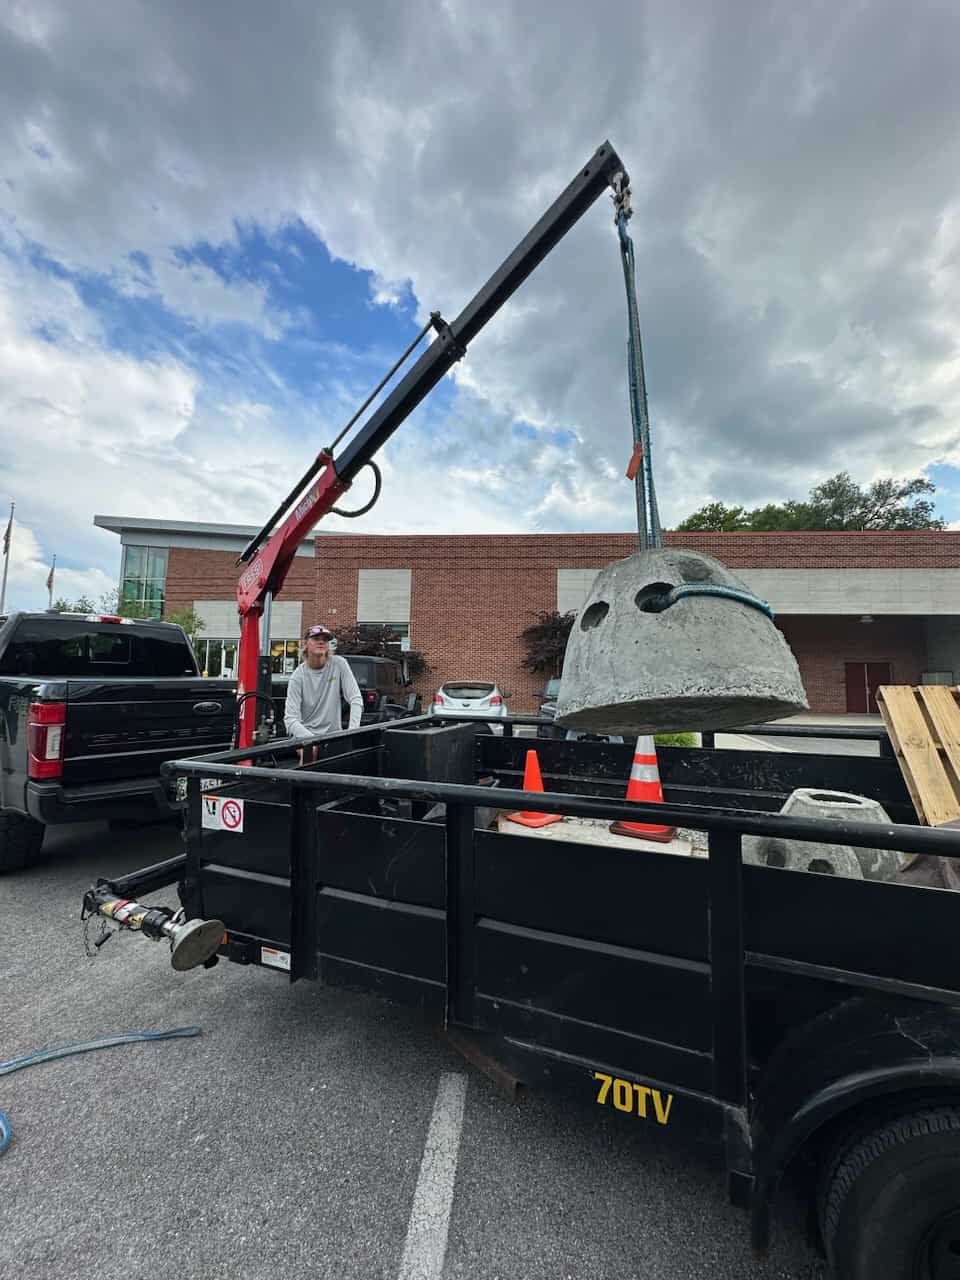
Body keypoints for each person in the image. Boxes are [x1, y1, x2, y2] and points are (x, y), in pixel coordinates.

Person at [284, 625, 363, 745]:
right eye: (316, 638)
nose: (321, 641)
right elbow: (290, 719)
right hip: (306, 737)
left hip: (334, 737)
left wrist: (352, 731)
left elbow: (355, 698)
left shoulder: (339, 664)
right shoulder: (297, 677)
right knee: (309, 755)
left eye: (325, 640)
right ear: (305, 644)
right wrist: (312, 741)